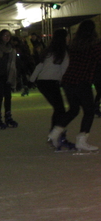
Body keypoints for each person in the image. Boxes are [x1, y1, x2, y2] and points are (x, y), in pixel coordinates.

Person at [48, 20, 101, 152]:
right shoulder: (94, 45)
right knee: (89, 110)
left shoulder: (74, 45)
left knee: (73, 109)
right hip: (81, 81)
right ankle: (81, 140)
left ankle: (54, 133)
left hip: (68, 80)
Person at [29, 29, 70, 146]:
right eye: (67, 37)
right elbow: (64, 71)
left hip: (43, 82)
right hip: (50, 83)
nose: (69, 39)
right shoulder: (63, 53)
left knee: (59, 109)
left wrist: (31, 80)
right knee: (60, 109)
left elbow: (39, 66)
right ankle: (54, 134)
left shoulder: (49, 51)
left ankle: (54, 134)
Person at [0, 29, 18, 129]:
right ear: (1, 37)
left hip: (8, 75)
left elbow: (14, 63)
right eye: (5, 35)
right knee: (0, 97)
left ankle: (8, 116)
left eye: (8, 36)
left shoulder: (11, 48)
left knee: (8, 96)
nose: (7, 37)